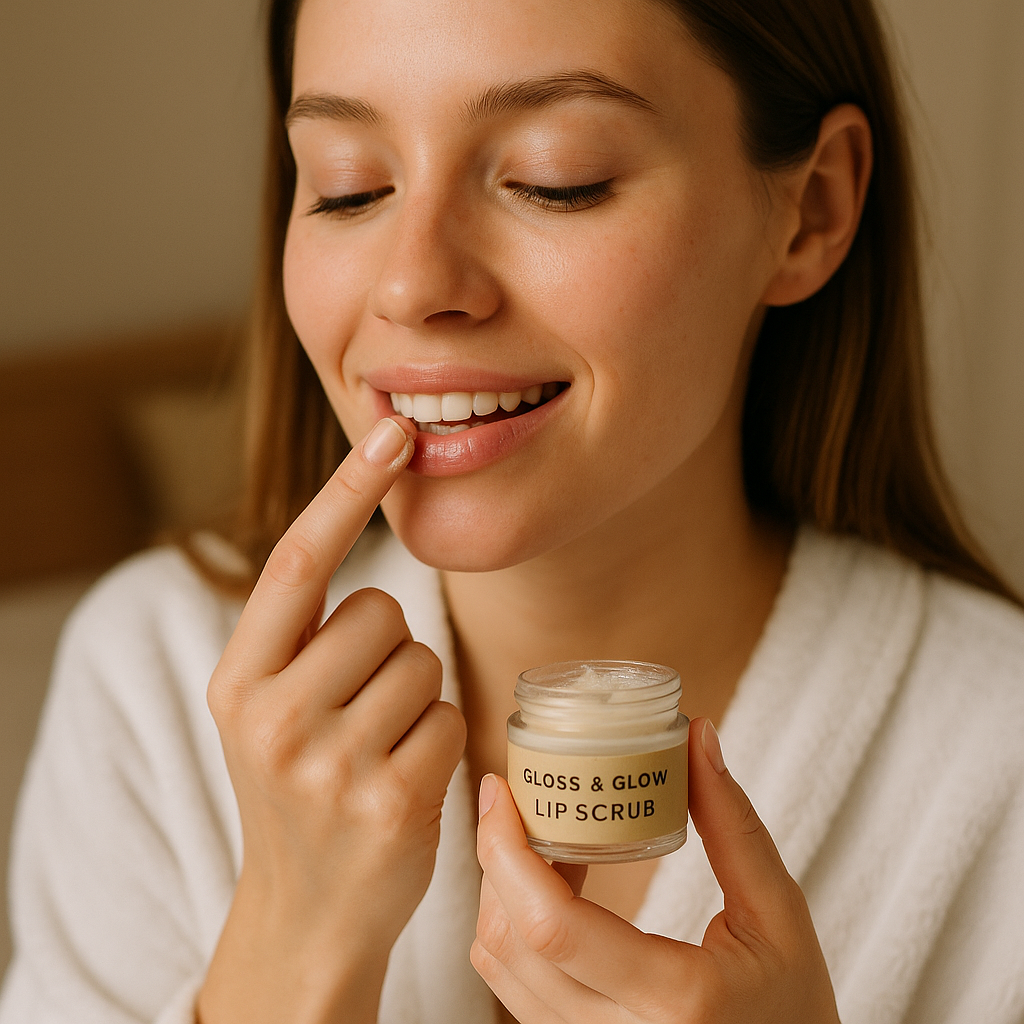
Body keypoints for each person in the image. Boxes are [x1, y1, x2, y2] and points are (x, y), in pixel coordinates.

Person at [3, 0, 1024, 1021]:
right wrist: (289, 953)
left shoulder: (997, 764)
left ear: (811, 210)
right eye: (349, 188)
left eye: (555, 177)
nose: (413, 284)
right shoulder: (157, 679)